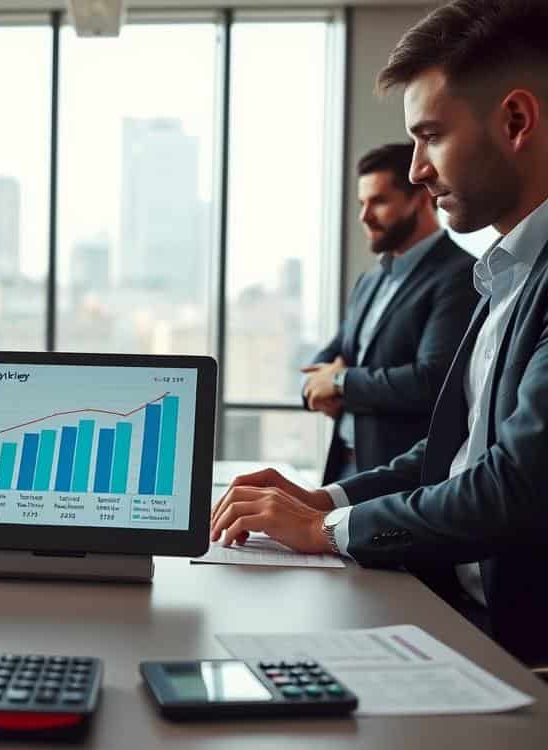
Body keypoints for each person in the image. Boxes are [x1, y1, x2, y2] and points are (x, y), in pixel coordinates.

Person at [211, 0, 548, 665]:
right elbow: (453, 454)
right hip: (465, 622)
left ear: (515, 121)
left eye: (431, 135)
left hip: (524, 653)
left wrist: (327, 529)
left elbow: (515, 487)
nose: (419, 169)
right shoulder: (507, 271)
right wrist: (325, 498)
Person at [303, 143, 476, 484]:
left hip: (405, 480)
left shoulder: (460, 275)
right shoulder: (371, 280)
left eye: (378, 202)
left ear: (421, 198)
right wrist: (315, 387)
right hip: (345, 469)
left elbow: (431, 381)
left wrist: (340, 381)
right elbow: (326, 359)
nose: (364, 216)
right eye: (361, 203)